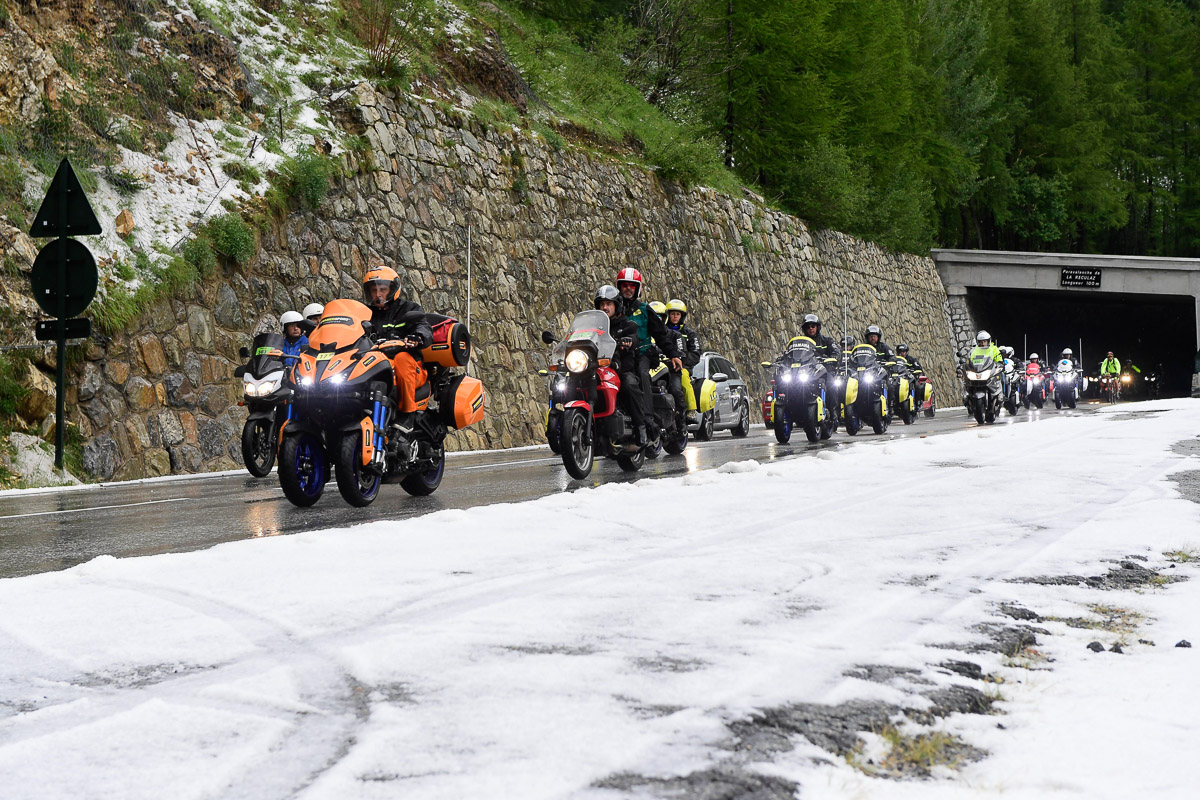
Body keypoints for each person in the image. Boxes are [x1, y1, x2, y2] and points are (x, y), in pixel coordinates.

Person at [616, 268, 682, 444]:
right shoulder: (613, 308)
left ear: (638, 288)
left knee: (642, 374)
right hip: (619, 354)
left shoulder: (645, 309)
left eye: (632, 285)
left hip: (642, 353)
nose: (628, 289)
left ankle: (645, 422)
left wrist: (673, 354)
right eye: (624, 285)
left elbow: (661, 335)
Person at [362, 266, 433, 425]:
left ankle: (408, 415)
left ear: (393, 289)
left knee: (402, 359)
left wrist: (417, 337)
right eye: (374, 290)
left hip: (410, 366)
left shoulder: (408, 308)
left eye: (383, 289)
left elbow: (423, 326)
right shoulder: (364, 313)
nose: (378, 294)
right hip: (375, 364)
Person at [594, 285, 647, 445]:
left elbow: (634, 336)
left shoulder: (626, 324)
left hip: (620, 368)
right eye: (602, 304)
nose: (605, 307)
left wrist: (630, 340)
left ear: (616, 305)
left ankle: (640, 426)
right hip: (595, 368)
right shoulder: (594, 327)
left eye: (608, 304)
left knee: (629, 385)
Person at [665, 299, 702, 423]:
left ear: (682, 316)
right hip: (664, 364)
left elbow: (696, 353)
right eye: (672, 314)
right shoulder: (661, 331)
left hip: (683, 366)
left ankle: (691, 410)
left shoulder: (690, 334)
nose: (675, 317)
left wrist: (684, 362)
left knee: (684, 379)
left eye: (678, 314)